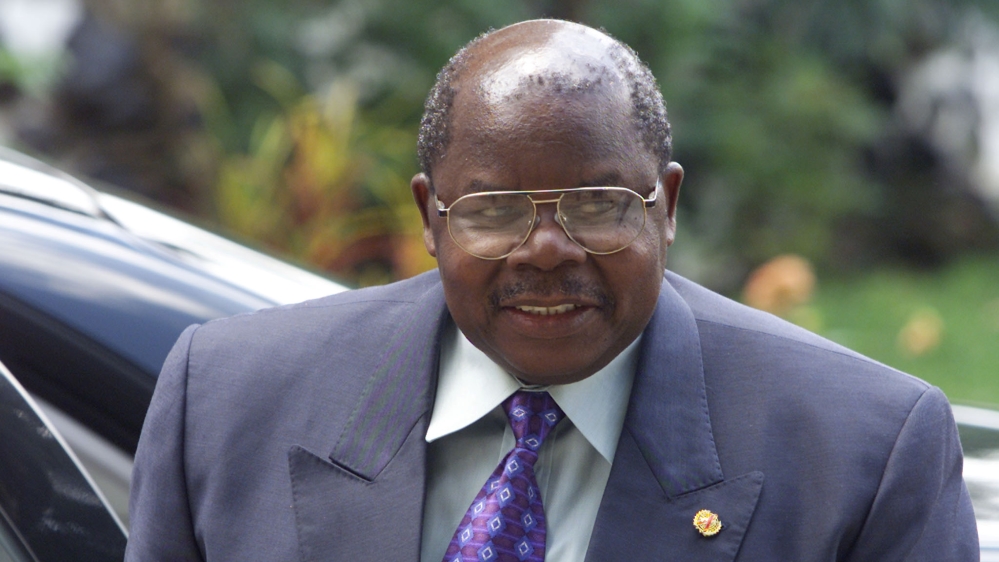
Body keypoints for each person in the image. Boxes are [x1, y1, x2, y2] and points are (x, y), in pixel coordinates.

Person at [125, 19, 978, 561]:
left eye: (597, 205)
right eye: (493, 210)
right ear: (431, 218)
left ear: (666, 206)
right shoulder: (229, 398)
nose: (544, 250)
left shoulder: (864, 452)